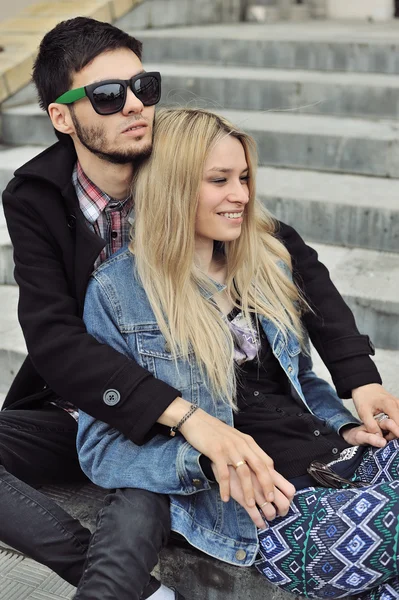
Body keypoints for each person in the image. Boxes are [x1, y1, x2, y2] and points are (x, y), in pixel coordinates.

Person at [0, 14, 397, 600]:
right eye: (108, 95)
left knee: (147, 492)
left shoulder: (177, 152)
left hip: (206, 395)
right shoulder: (38, 197)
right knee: (144, 476)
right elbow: (53, 337)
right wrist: (188, 419)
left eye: (145, 86)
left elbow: (283, 252)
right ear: (62, 116)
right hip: (91, 398)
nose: (136, 105)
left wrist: (358, 379)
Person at [78, 107, 399, 600]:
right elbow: (100, 449)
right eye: (220, 180)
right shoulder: (120, 293)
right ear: (175, 187)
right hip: (273, 514)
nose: (242, 196)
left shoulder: (263, 261)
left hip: (339, 461)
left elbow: (300, 381)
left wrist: (344, 424)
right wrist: (209, 462)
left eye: (245, 178)